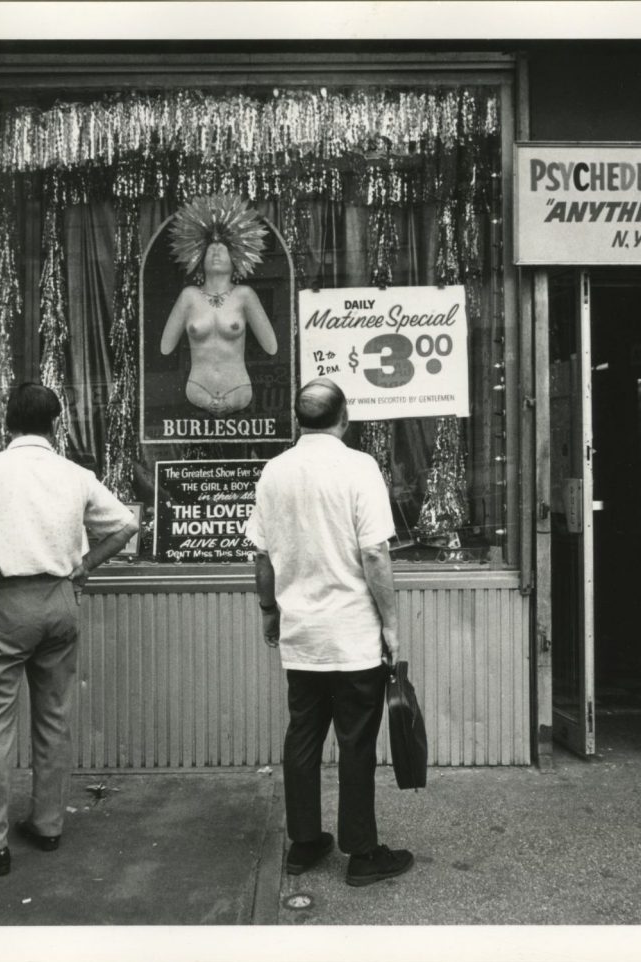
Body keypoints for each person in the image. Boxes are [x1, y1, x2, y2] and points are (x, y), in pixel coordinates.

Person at [0, 383, 140, 875]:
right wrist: (84, 566)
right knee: (55, 717)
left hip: (4, 602)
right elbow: (126, 525)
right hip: (59, 600)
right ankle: (47, 825)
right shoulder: (74, 474)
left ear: (8, 423)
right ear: (55, 424)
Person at [245, 378, 414, 887]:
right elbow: (376, 553)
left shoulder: (274, 472)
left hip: (302, 636)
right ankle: (362, 854)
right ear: (344, 418)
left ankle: (304, 844)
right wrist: (390, 624)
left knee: (303, 738)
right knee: (356, 743)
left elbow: (262, 554)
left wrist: (269, 611)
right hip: (352, 635)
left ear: (299, 420)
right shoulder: (359, 467)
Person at [161, 194, 278, 415]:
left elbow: (271, 346)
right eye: (210, 250)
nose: (216, 252)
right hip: (197, 389)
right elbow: (165, 348)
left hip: (239, 390)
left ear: (236, 260)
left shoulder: (244, 295)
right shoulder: (189, 296)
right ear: (199, 259)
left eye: (223, 249)